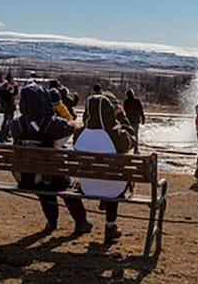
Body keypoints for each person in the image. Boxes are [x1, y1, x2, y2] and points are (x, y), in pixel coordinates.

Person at [10, 83, 91, 235]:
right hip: (51, 178)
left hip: (26, 178)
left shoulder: (16, 124)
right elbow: (73, 126)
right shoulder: (52, 124)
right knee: (67, 185)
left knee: (44, 184)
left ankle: (51, 221)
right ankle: (82, 222)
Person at [74, 92, 135, 244]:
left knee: (107, 176)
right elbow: (132, 139)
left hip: (87, 185)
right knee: (113, 179)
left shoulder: (79, 134)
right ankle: (110, 226)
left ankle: (104, 208)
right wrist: (122, 118)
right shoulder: (114, 134)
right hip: (113, 186)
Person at [0, 73, 19, 143]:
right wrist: (15, 86)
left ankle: (3, 136)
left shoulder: (1, 92)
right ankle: (4, 136)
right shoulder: (6, 93)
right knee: (8, 123)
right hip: (9, 109)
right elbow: (15, 93)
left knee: (5, 122)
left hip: (6, 109)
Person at [123, 89, 145, 153]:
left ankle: (128, 148)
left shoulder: (126, 102)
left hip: (129, 120)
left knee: (128, 134)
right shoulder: (137, 101)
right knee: (135, 134)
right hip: (135, 120)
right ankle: (136, 149)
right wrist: (143, 118)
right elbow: (141, 110)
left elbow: (125, 110)